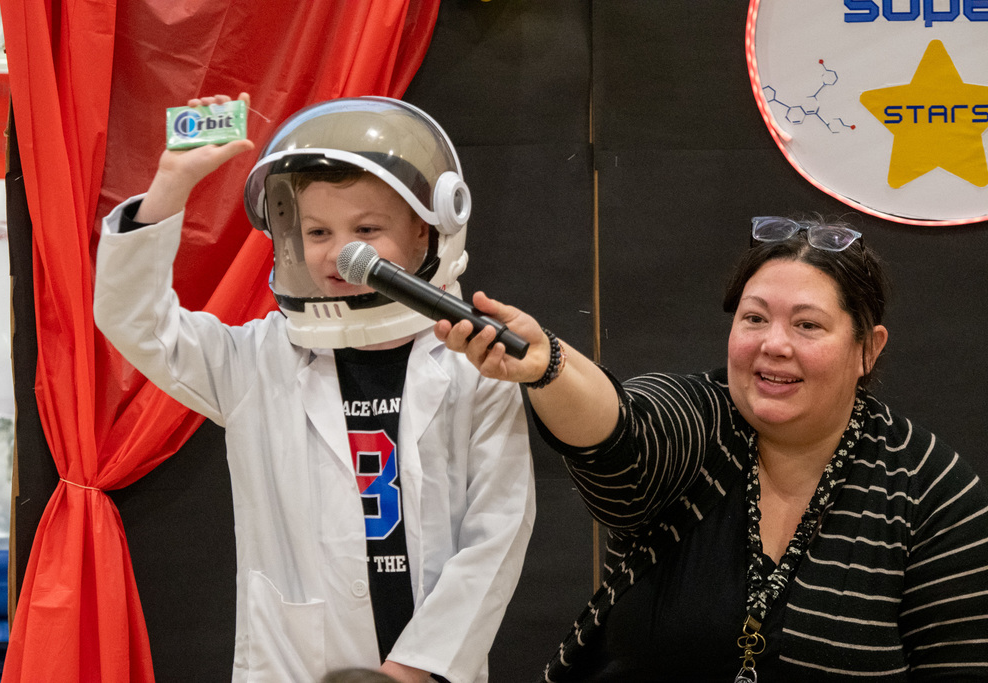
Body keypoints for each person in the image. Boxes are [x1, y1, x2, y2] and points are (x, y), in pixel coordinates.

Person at [93, 93, 535, 683]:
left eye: (367, 229)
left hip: (429, 671)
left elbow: (497, 534)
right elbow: (136, 322)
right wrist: (170, 186)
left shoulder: (476, 365)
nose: (340, 252)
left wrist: (414, 671)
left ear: (431, 235)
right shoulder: (258, 360)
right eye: (318, 230)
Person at [435, 215, 988, 681]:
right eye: (754, 318)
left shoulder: (926, 485)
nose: (773, 344)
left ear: (867, 349)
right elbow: (621, 433)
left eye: (807, 325)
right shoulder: (700, 421)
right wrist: (549, 367)